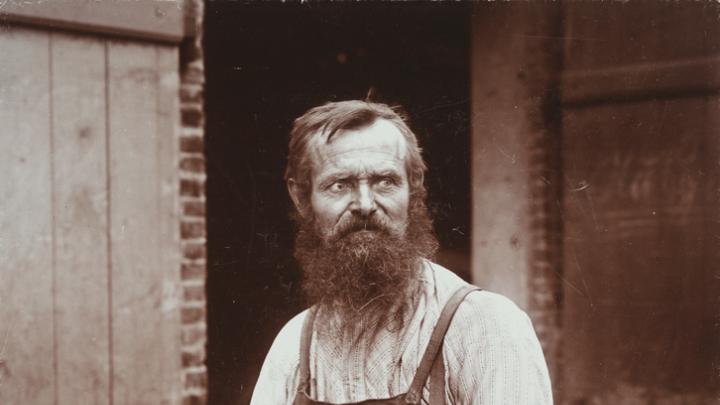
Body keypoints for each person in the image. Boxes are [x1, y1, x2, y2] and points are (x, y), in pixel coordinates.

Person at [250, 100, 553, 404]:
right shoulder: (293, 348)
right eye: (340, 185)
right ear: (301, 198)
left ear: (414, 187)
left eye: (385, 182)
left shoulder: (486, 329)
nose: (365, 204)